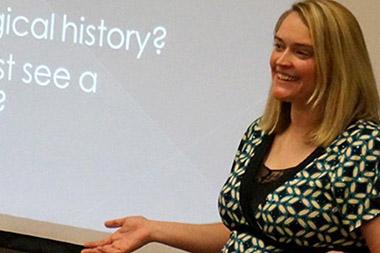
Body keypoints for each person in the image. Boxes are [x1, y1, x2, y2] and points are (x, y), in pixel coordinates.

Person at [81, 0, 380, 252]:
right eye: (279, 46)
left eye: (301, 52)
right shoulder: (261, 133)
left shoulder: (363, 147)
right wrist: (152, 229)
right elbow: (244, 232)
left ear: (336, 63)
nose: (281, 61)